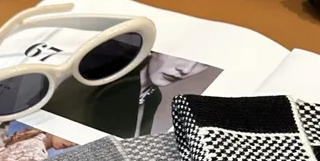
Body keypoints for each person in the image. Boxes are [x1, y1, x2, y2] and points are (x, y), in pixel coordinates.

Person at [43, 53, 209, 138]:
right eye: (183, 56)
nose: (186, 69)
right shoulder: (100, 79)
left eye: (201, 63)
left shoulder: (153, 97)